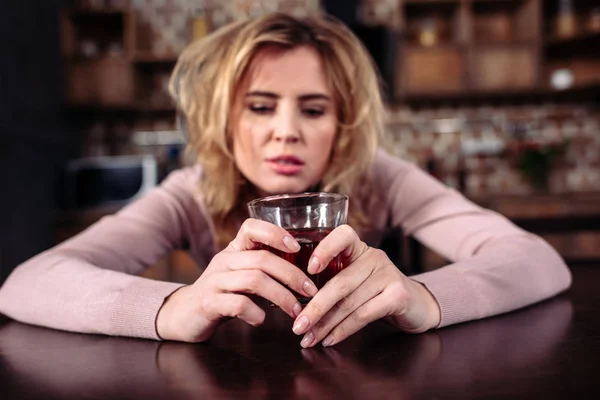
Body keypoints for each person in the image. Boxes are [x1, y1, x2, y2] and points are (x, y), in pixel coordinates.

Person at [0, 13, 571, 348]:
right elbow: (28, 281)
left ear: (342, 123)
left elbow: (538, 260)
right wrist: (174, 307)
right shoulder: (191, 191)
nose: (287, 132)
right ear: (226, 120)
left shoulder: (379, 179)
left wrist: (426, 296)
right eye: (261, 106)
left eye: (315, 110)